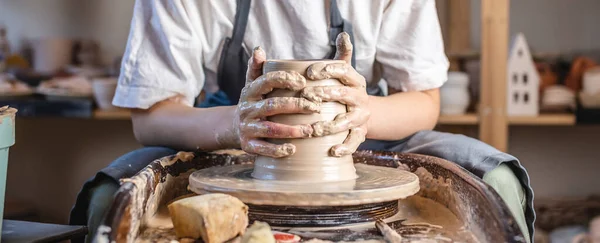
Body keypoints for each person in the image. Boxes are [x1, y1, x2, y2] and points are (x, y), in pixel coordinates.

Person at [70, 0, 534, 242]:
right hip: (225, 139)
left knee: (496, 178)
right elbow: (150, 118)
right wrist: (235, 125)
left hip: (363, 136)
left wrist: (365, 112)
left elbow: (425, 101)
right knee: (111, 197)